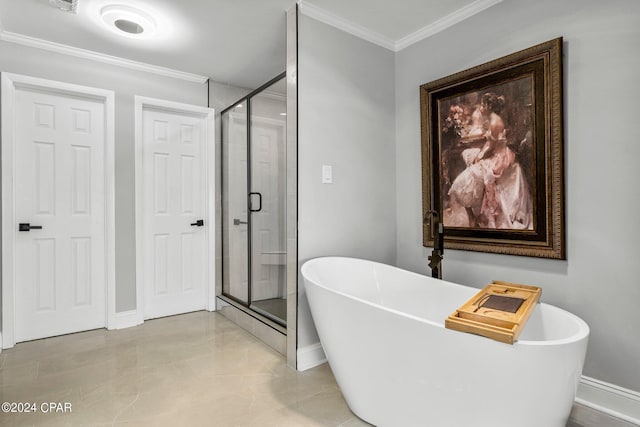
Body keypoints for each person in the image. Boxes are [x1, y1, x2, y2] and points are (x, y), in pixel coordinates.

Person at [445, 93, 533, 229]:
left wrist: (480, 156)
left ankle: (474, 217)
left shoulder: (494, 122)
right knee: (469, 161)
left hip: (499, 157)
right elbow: (490, 143)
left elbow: (491, 148)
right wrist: (480, 153)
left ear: (488, 106)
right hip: (496, 153)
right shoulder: (493, 120)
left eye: (482, 104)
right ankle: (473, 216)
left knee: (467, 177)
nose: (480, 108)